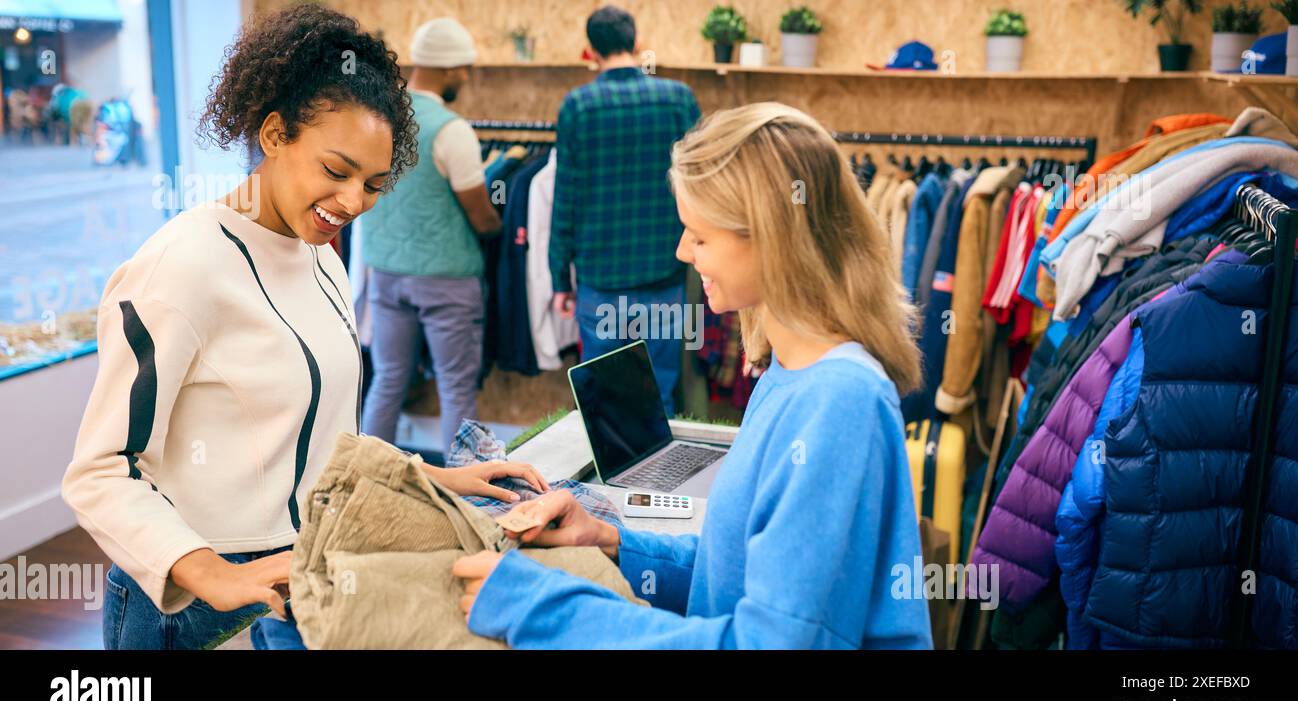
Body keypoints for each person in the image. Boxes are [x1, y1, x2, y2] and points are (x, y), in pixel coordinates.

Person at [61, 5, 546, 651]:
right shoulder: (180, 268)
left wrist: (433, 476)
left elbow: (323, 442)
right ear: (272, 134)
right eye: (336, 171)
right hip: (186, 601)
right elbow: (100, 471)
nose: (352, 202)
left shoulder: (320, 254)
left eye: (374, 184)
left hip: (297, 578)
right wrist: (206, 572)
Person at [453, 103, 932, 649]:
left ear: (771, 240)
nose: (683, 251)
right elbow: (737, 576)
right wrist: (614, 542)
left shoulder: (839, 401)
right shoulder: (789, 370)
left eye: (699, 236)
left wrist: (542, 609)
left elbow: (767, 642)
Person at [549, 5, 700, 415]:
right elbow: (703, 186)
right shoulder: (678, 99)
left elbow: (566, 200)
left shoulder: (578, 106)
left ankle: (609, 481)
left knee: (606, 405)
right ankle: (663, 479)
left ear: (591, 51)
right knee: (661, 396)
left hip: (601, 283)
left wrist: (560, 278)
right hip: (665, 277)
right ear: (636, 44)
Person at [360, 17, 502, 454]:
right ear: (449, 68)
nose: (466, 77)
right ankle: (466, 498)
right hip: (446, 279)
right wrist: (499, 226)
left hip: (385, 274)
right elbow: (480, 216)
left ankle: (363, 481)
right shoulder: (451, 129)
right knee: (456, 388)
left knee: (387, 380)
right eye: (464, 69)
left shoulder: (378, 120)